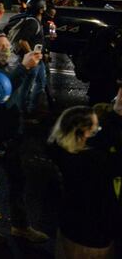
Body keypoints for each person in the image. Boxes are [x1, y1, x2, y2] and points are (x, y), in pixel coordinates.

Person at [0, 30, 49, 244]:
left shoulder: (4, 67)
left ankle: (20, 226)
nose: (5, 50)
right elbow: (3, 92)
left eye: (7, 46)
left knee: (18, 181)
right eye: (0, 47)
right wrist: (24, 68)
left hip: (11, 138)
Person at [47, 106, 119, 258]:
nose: (97, 132)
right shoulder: (94, 162)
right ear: (84, 133)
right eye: (95, 129)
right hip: (94, 236)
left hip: (69, 227)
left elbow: (103, 139)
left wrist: (116, 113)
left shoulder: (59, 149)